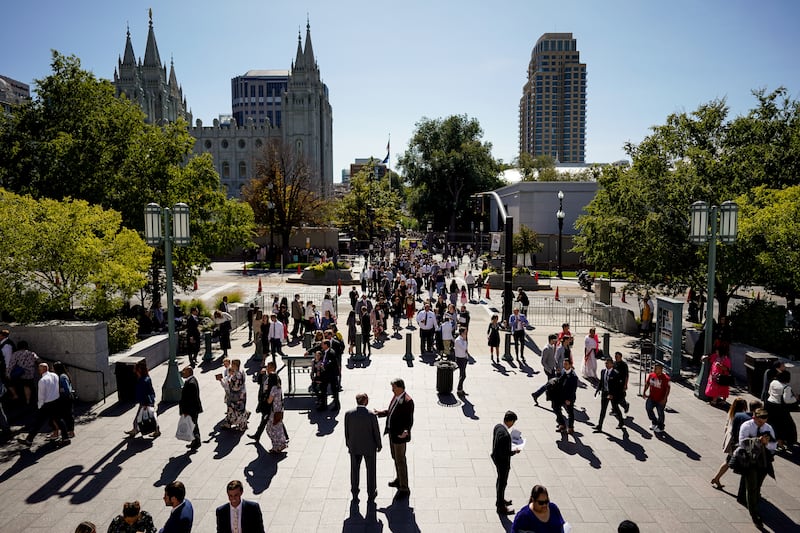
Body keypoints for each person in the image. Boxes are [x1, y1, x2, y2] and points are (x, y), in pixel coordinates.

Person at [736, 408, 776, 527]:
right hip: (750, 461)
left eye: (764, 421)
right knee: (752, 487)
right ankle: (755, 514)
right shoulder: (746, 426)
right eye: (759, 421)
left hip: (763, 461)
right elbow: (742, 442)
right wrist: (758, 441)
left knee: (757, 485)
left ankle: (745, 498)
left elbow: (773, 446)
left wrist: (767, 443)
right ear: (754, 417)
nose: (762, 424)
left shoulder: (768, 428)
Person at [375, 378, 414, 497]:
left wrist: (405, 432)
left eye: (394, 387)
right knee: (395, 458)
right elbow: (391, 411)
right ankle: (399, 479)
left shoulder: (407, 401)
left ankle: (404, 488)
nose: (392, 390)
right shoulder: (396, 397)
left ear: (400, 387)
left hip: (399, 436)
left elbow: (409, 420)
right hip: (392, 434)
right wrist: (381, 413)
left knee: (400, 460)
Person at [19, 362, 71, 447]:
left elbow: (41, 396)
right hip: (56, 401)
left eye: (39, 369)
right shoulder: (54, 375)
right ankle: (65, 438)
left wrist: (39, 406)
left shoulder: (42, 381)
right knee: (59, 420)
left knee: (38, 422)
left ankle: (29, 440)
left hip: (47, 404)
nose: (38, 371)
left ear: (41, 370)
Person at [344, 393, 382, 501]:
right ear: (365, 401)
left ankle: (355, 492)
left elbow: (346, 431)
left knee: (354, 470)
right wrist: (379, 445)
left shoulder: (348, 414)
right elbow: (376, 432)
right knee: (371, 470)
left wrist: (349, 444)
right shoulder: (371, 415)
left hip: (354, 447)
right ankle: (371, 492)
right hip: (369, 448)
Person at [710, 398, 755, 490]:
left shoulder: (731, 412)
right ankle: (717, 478)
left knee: (728, 461)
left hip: (730, 440)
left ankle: (716, 478)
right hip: (735, 442)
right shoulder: (741, 416)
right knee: (730, 461)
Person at [491, 410, 520, 515]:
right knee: (502, 483)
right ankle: (500, 507)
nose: (513, 424)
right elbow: (504, 453)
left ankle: (500, 500)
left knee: (500, 482)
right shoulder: (505, 436)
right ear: (510, 421)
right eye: (513, 422)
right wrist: (514, 451)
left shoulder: (498, 426)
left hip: (496, 458)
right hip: (502, 462)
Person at [125, 360, 160, 438]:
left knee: (140, 418)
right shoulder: (146, 378)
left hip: (145, 402)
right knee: (151, 416)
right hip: (149, 401)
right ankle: (156, 431)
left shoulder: (142, 381)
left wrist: (144, 404)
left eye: (135, 368)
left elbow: (144, 393)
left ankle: (135, 431)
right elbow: (151, 390)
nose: (133, 370)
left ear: (139, 370)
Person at [765, 370, 797, 450]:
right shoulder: (786, 387)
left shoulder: (773, 382)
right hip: (779, 408)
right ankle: (785, 441)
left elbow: (769, 392)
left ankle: (776, 441)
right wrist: (795, 398)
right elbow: (787, 400)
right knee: (787, 425)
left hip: (769, 405)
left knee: (773, 424)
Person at [593, 358, 625, 432]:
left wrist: (612, 394)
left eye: (608, 363)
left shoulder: (615, 373)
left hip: (613, 395)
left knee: (616, 408)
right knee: (603, 410)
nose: (606, 365)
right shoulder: (603, 371)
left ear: (612, 364)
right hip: (604, 393)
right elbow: (601, 382)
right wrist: (598, 389)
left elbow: (617, 386)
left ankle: (621, 422)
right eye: (605, 363)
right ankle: (599, 426)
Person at [249, 361, 278, 443]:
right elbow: (259, 382)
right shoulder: (265, 376)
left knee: (266, 419)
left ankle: (257, 435)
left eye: (269, 367)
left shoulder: (274, 377)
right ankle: (257, 435)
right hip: (263, 400)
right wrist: (261, 374)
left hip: (269, 403)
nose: (267, 368)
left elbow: (273, 391)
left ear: (273, 368)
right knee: (265, 419)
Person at [219, 359, 248, 431]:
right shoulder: (241, 371)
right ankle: (241, 425)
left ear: (235, 365)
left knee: (234, 410)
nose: (231, 366)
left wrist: (227, 382)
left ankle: (232, 424)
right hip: (242, 393)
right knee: (240, 410)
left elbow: (235, 386)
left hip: (236, 396)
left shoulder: (236, 375)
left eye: (232, 364)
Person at [642, 362, 670, 434]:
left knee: (660, 412)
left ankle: (661, 426)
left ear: (661, 369)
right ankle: (654, 421)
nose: (654, 370)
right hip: (652, 397)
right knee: (648, 408)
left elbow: (667, 389)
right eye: (654, 368)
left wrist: (664, 399)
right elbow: (647, 384)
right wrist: (644, 392)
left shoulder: (666, 378)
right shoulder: (651, 375)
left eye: (656, 368)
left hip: (661, 399)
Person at [7, 340, 38, 405]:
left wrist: (8, 373)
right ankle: (28, 401)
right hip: (29, 373)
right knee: (27, 386)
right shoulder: (31, 353)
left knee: (11, 384)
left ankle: (16, 396)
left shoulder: (15, 354)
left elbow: (11, 364)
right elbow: (37, 359)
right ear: (26, 346)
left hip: (19, 373)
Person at [179, 366, 202, 450]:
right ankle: (195, 441)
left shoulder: (191, 383)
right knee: (194, 425)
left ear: (189, 372)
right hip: (192, 409)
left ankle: (196, 441)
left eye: (184, 372)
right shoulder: (191, 381)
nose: (182, 373)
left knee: (193, 425)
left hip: (191, 410)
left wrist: (185, 411)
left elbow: (190, 399)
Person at [531, 334, 559, 405]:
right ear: (551, 340)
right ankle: (548, 397)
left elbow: (553, 358)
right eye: (555, 340)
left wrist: (556, 366)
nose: (556, 341)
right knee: (551, 384)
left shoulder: (552, 347)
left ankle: (537, 394)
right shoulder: (546, 348)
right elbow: (543, 361)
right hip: (549, 370)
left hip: (552, 368)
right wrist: (549, 369)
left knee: (550, 384)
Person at [554, 358, 578, 435]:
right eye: (564, 364)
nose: (564, 365)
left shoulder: (573, 376)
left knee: (570, 412)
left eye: (566, 364)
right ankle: (562, 424)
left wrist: (569, 399)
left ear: (570, 365)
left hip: (569, 397)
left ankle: (571, 427)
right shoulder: (563, 371)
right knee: (556, 407)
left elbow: (573, 390)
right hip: (561, 395)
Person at [54, 361, 76, 439]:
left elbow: (66, 389)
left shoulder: (62, 377)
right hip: (67, 398)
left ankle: (71, 432)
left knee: (67, 415)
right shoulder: (65, 375)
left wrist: (58, 390)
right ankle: (70, 431)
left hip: (65, 398)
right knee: (68, 415)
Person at [266, 376, 287, 453]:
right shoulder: (279, 387)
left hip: (274, 412)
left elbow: (269, 401)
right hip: (280, 411)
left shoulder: (273, 389)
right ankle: (282, 443)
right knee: (279, 428)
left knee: (270, 429)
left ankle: (277, 445)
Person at [454, 327, 470, 394]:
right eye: (465, 332)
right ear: (462, 333)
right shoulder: (458, 340)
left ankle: (461, 389)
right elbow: (464, 348)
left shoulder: (463, 340)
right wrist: (465, 340)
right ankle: (459, 389)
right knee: (463, 376)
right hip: (460, 359)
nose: (466, 334)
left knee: (462, 375)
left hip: (464, 358)